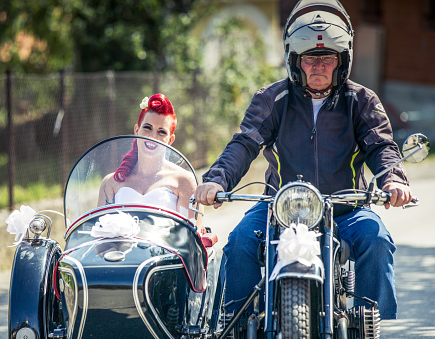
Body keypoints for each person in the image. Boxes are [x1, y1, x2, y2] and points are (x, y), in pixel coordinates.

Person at [194, 0, 411, 320]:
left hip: (344, 209)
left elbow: (381, 146)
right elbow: (245, 143)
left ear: (342, 60)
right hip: (276, 208)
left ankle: (369, 318)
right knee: (239, 241)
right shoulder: (272, 98)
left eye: (328, 58)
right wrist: (216, 179)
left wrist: (393, 179)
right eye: (310, 57)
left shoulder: (361, 101)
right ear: (295, 60)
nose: (319, 66)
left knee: (376, 239)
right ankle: (234, 321)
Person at [98, 93, 197, 218]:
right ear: (136, 130)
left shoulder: (184, 182)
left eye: (161, 132)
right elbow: (99, 231)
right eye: (147, 128)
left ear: (170, 140)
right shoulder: (110, 182)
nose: (153, 136)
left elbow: (190, 234)